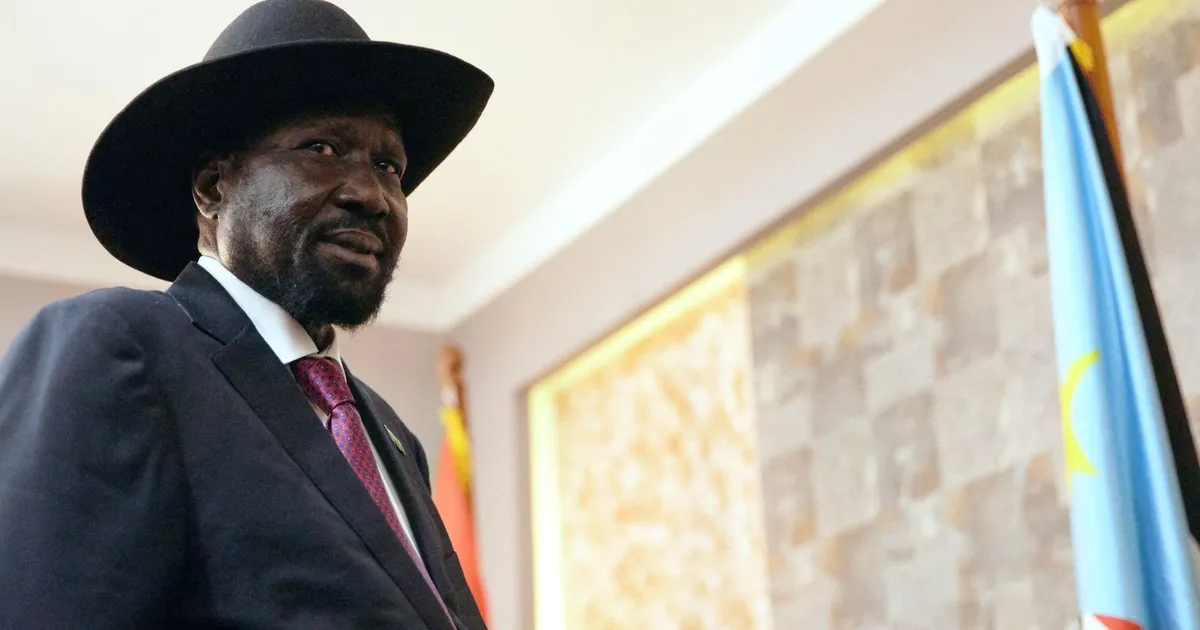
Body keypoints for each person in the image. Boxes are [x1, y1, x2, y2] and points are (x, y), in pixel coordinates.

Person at [0, 1, 493, 628]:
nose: (372, 195)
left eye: (387, 166)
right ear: (213, 188)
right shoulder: (121, 346)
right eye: (322, 147)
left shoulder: (395, 438)